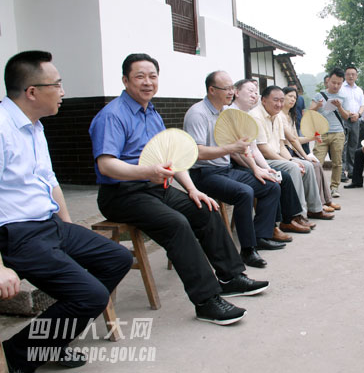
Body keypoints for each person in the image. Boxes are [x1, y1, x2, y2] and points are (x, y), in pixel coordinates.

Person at [90, 53, 268, 327]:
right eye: (140, 77)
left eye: (152, 76)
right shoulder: (112, 115)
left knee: (204, 208)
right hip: (122, 194)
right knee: (176, 223)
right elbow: (107, 165)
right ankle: (207, 301)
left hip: (156, 187)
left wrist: (192, 189)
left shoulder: (153, 113)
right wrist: (147, 172)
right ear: (125, 80)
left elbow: (174, 156)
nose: (147, 82)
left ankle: (231, 277)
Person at [0, 51, 132, 373]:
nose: (63, 92)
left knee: (117, 258)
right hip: (16, 233)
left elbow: (50, 181)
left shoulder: (35, 126)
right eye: (57, 84)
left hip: (48, 225)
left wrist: (70, 231)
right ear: (32, 92)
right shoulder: (3, 128)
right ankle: (17, 356)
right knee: (91, 296)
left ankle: (47, 341)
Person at [183, 70, 284, 269]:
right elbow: (195, 152)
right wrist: (230, 148)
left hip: (224, 169)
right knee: (244, 192)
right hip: (203, 174)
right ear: (211, 90)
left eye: (231, 88)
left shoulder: (225, 112)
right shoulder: (198, 113)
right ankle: (247, 250)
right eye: (226, 88)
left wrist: (256, 169)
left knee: (270, 185)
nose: (231, 92)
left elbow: (243, 146)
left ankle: (261, 236)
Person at [231, 79, 311, 235]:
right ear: (236, 92)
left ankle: (288, 220)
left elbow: (253, 148)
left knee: (281, 176)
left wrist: (267, 168)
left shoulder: (246, 115)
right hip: (239, 165)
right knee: (276, 181)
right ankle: (274, 226)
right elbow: (236, 152)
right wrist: (258, 169)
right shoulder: (235, 114)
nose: (254, 95)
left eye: (255, 91)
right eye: (250, 91)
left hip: (254, 162)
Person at [250, 86, 334, 222]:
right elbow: (263, 149)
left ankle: (315, 209)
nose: (279, 104)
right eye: (275, 100)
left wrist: (291, 159)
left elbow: (281, 145)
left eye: (281, 100)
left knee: (307, 165)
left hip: (277, 157)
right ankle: (297, 215)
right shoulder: (256, 116)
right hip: (263, 161)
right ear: (264, 100)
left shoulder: (277, 116)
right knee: (293, 168)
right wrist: (289, 162)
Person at [281, 86, 340, 213]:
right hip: (285, 152)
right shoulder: (280, 116)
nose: (292, 100)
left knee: (317, 164)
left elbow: (296, 138)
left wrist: (312, 138)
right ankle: (319, 203)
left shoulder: (290, 116)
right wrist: (305, 156)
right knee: (312, 164)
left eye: (295, 98)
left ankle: (326, 200)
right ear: (282, 96)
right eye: (290, 96)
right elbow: (292, 140)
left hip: (291, 151)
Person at [311, 68, 350, 198]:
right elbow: (309, 113)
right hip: (321, 133)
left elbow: (346, 116)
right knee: (317, 162)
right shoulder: (318, 95)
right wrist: (318, 106)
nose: (336, 86)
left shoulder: (344, 97)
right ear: (328, 81)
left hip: (338, 133)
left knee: (337, 162)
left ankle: (334, 187)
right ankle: (317, 187)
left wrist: (339, 107)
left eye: (339, 83)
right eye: (333, 82)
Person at [340, 66, 364, 181]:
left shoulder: (359, 90)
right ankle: (341, 172)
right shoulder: (341, 88)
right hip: (344, 119)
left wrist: (358, 115)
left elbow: (362, 105)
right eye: (348, 74)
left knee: (353, 146)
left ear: (356, 76)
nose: (351, 76)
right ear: (345, 75)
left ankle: (351, 171)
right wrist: (347, 114)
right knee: (343, 146)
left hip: (356, 120)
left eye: (353, 74)